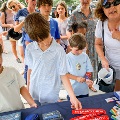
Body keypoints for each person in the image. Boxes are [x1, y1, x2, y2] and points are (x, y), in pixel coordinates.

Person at [24, 12, 82, 109]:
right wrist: (28, 91)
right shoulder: (30, 48)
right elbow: (30, 70)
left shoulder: (59, 50)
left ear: (48, 28)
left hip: (51, 94)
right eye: (39, 41)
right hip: (34, 93)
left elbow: (63, 74)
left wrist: (73, 97)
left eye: (45, 37)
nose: (45, 43)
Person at [0, 44, 37, 113]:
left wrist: (32, 103)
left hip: (19, 112)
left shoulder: (12, 71)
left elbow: (21, 87)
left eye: (0, 56)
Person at [66, 0, 98, 80]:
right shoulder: (75, 14)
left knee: (92, 69)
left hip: (93, 47)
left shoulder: (95, 13)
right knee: (79, 68)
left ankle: (90, 85)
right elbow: (68, 30)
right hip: (80, 48)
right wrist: (74, 44)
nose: (85, 1)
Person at [94, 0, 120, 91]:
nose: (112, 7)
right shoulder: (101, 23)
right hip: (110, 69)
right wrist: (103, 59)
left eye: (116, 2)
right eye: (107, 5)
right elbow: (98, 43)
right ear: (102, 9)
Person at [70, 22, 97, 92]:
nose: (83, 36)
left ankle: (90, 86)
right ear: (74, 33)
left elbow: (86, 53)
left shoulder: (84, 44)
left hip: (83, 66)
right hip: (73, 82)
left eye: (84, 34)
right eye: (80, 33)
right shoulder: (70, 50)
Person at [66, 33, 94, 99]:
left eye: (82, 49)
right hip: (72, 91)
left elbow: (89, 70)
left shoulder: (85, 56)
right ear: (70, 46)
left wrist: (87, 79)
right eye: (77, 50)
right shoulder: (67, 58)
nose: (80, 52)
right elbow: (65, 74)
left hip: (84, 91)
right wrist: (76, 78)